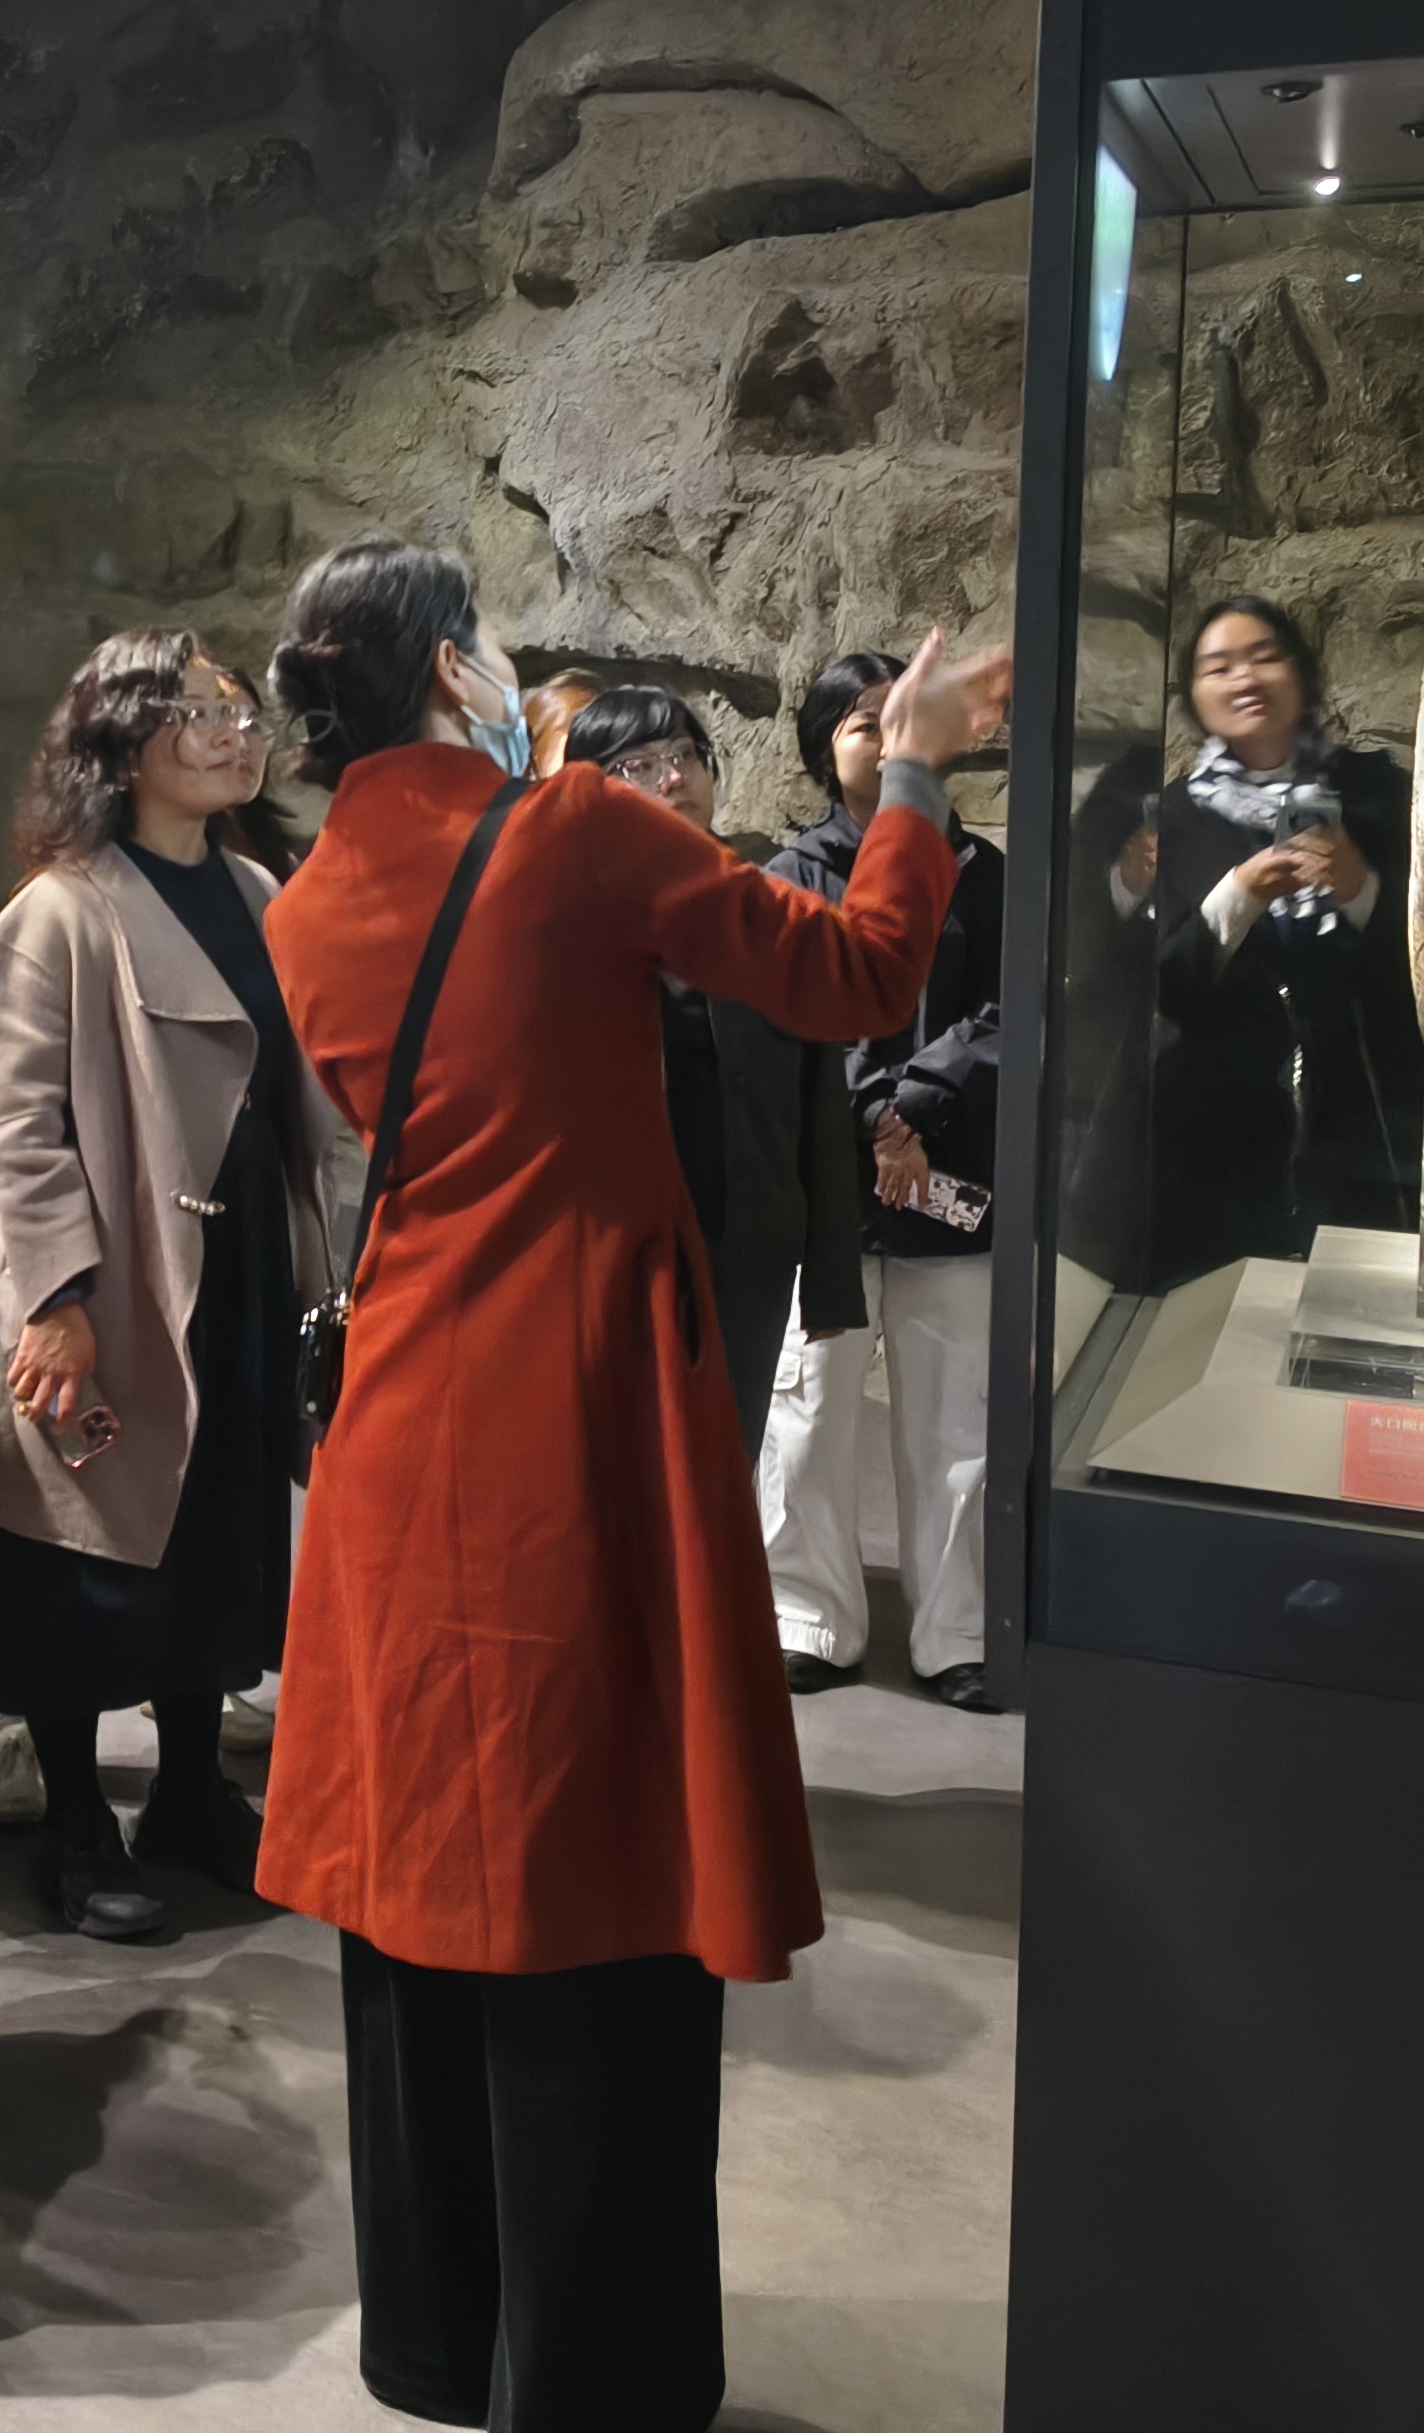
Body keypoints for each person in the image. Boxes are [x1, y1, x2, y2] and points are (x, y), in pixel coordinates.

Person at [256, 534, 999, 2430]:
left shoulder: (305, 897)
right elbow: (856, 972)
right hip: (573, 1398)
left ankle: (440, 2341)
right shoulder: (573, 832)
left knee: (422, 1860)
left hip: (403, 1404)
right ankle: (593, 2373)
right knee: (596, 1860)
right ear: (450, 673)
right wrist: (912, 776)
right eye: (492, 638)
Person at [0, 632, 338, 1936]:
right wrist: (54, 1299)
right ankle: (77, 1820)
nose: (236, 733)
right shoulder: (59, 910)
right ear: (122, 741)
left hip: (235, 1267)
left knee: (215, 1526)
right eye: (198, 712)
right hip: (109, 1277)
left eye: (242, 711)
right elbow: (18, 1126)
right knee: (78, 1546)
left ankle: (189, 1790)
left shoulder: (258, 889)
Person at [762, 653, 1013, 1710]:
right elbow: (793, 1015)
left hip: (954, 1174)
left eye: (894, 718)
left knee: (956, 1417)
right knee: (810, 1407)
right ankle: (808, 1615)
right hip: (827, 1179)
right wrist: (874, 1116)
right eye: (859, 722)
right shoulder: (791, 872)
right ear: (825, 746)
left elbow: (1011, 1010)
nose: (879, 736)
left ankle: (957, 1630)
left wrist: (917, 1104)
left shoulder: (987, 874)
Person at [561, 683, 872, 1466]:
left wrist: (830, 1277)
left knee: (723, 1466)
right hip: (607, 1255)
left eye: (685, 755)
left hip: (745, 1254)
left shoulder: (766, 908)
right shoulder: (561, 924)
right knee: (615, 1473)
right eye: (638, 764)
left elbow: (818, 1095)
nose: (673, 778)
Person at [1128, 595, 1421, 1283]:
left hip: (1369, 1125)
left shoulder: (1381, 792)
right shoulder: (1170, 818)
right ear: (1194, 696)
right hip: (1217, 1137)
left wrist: (1358, 886)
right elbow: (1163, 986)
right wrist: (1241, 893)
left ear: (1302, 673)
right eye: (1219, 667)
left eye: (1265, 657)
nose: (1246, 679)